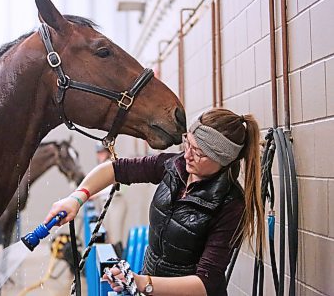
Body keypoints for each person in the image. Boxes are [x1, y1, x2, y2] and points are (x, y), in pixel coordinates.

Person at [43, 108, 264, 296]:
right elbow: (116, 169)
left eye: (199, 153)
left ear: (223, 160)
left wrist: (142, 282)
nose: (187, 155)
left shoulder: (231, 205)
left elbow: (205, 283)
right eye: (189, 144)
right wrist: (77, 197)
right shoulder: (173, 166)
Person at [90, 142, 127, 254]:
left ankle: (119, 261)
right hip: (107, 203)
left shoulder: (110, 164)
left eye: (101, 152)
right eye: (98, 153)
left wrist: (94, 194)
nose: (99, 155)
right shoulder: (102, 166)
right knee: (109, 236)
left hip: (116, 201)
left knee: (115, 237)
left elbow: (112, 187)